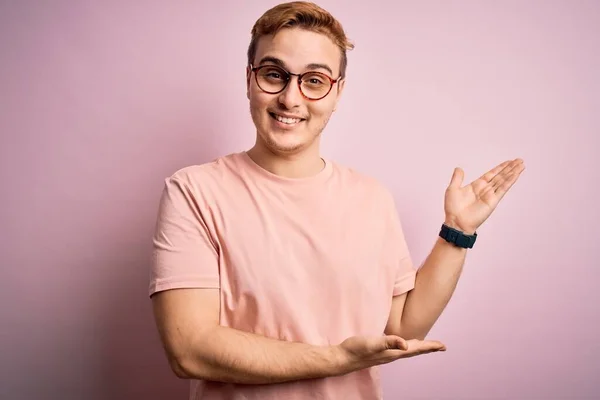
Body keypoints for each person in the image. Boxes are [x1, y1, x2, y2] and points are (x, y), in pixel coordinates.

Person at [148, 2, 525, 399]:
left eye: (314, 80)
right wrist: (338, 359)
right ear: (249, 80)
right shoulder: (193, 192)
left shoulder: (372, 198)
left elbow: (400, 330)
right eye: (274, 75)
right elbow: (190, 351)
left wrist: (458, 233)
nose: (291, 98)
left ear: (337, 92)